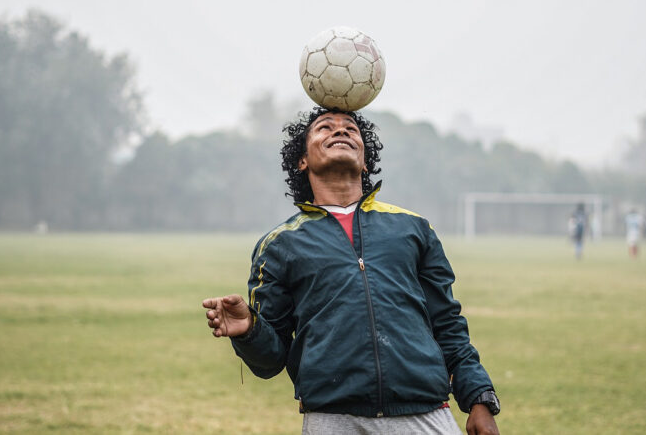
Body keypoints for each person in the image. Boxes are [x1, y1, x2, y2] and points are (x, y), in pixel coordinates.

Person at [203, 108, 499, 435]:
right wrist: (249, 330)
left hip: (423, 411)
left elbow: (448, 325)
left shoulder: (413, 228)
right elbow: (270, 361)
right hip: (331, 418)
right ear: (302, 160)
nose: (340, 131)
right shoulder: (279, 244)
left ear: (365, 160)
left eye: (350, 129)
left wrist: (479, 399)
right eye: (325, 128)